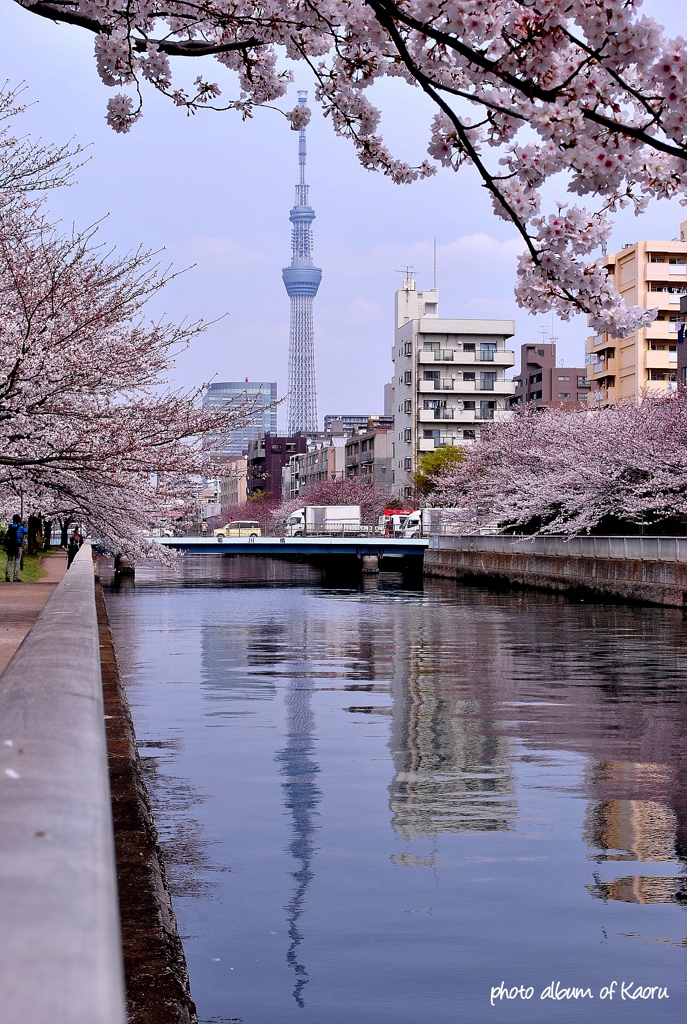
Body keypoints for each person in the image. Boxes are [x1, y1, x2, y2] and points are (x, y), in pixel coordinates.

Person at [4, 514, 27, 582]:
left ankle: (7, 577)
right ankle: (15, 577)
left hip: (10, 546)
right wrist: (22, 524)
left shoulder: (10, 526)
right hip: (17, 546)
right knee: (17, 561)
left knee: (9, 561)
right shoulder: (21, 527)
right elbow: (25, 532)